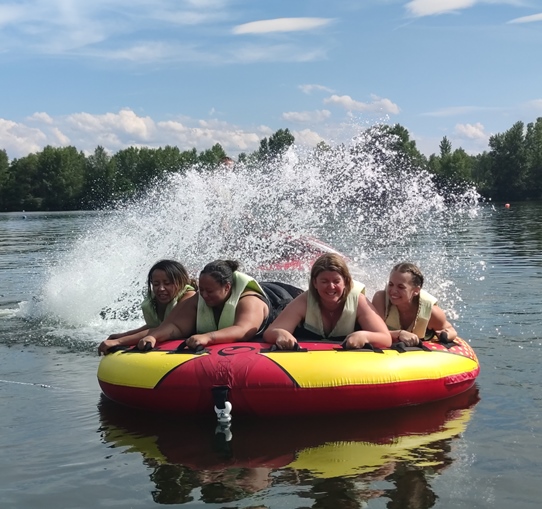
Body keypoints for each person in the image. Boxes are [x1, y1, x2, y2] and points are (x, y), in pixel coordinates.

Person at [137, 260, 299, 351]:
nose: (204, 296)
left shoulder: (249, 300)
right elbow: (176, 327)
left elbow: (242, 330)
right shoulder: (200, 297)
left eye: (210, 291)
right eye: (202, 290)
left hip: (282, 296)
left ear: (227, 287)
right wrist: (153, 337)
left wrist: (207, 337)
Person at [263, 253, 392, 350]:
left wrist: (365, 336)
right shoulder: (305, 301)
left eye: (336, 281)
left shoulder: (358, 301)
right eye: (324, 281)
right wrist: (280, 333)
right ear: (315, 282)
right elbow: (270, 332)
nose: (331, 287)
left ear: (346, 282)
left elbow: (385, 338)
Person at [98, 260, 197, 355]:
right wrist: (124, 335)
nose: (161, 289)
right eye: (156, 284)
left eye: (167, 283)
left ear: (182, 282)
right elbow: (154, 325)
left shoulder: (189, 296)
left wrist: (119, 341)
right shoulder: (159, 299)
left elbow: (164, 328)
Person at [371, 262, 457, 347]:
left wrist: (445, 336)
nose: (393, 291)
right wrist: (398, 334)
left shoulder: (432, 312)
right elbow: (372, 332)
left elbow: (450, 330)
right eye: (391, 284)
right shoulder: (381, 300)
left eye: (401, 287)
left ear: (416, 291)